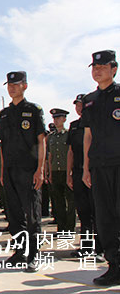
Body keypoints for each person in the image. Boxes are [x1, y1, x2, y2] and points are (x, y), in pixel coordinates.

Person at [0, 71, 46, 273]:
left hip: (29, 169)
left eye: (16, 84)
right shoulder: (4, 114)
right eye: (9, 84)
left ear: (25, 86)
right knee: (14, 214)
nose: (12, 88)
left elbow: (42, 140)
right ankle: (20, 251)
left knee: (32, 213)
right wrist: (1, 172)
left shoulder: (33, 110)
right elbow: (2, 146)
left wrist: (40, 169)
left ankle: (34, 254)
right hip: (10, 171)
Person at [81, 50, 120, 286]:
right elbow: (88, 136)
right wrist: (86, 168)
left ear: (114, 69)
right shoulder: (89, 100)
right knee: (105, 218)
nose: (97, 71)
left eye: (102, 66)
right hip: (99, 166)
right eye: (94, 67)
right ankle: (114, 265)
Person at [67, 94, 103, 260]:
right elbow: (70, 152)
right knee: (83, 212)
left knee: (98, 211)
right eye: (76, 105)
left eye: (81, 104)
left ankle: (101, 247)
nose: (78, 108)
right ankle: (86, 247)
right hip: (78, 172)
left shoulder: (95, 123)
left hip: (94, 172)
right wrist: (69, 173)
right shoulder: (74, 126)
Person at [47, 108, 75, 233]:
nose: (56, 120)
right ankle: (61, 228)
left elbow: (71, 153)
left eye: (58, 118)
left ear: (64, 119)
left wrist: (70, 172)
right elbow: (50, 156)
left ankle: (69, 228)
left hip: (66, 171)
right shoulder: (51, 137)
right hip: (55, 171)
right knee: (58, 202)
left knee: (70, 202)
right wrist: (49, 172)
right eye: (54, 118)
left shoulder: (69, 134)